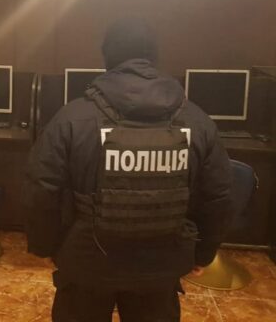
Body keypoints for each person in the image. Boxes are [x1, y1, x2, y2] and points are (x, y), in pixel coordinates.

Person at [23, 18, 233, 322]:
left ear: (107, 58)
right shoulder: (198, 121)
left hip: (86, 264)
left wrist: (44, 247)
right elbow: (218, 196)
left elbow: (42, 189)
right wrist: (203, 254)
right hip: (162, 266)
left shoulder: (71, 118)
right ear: (154, 58)